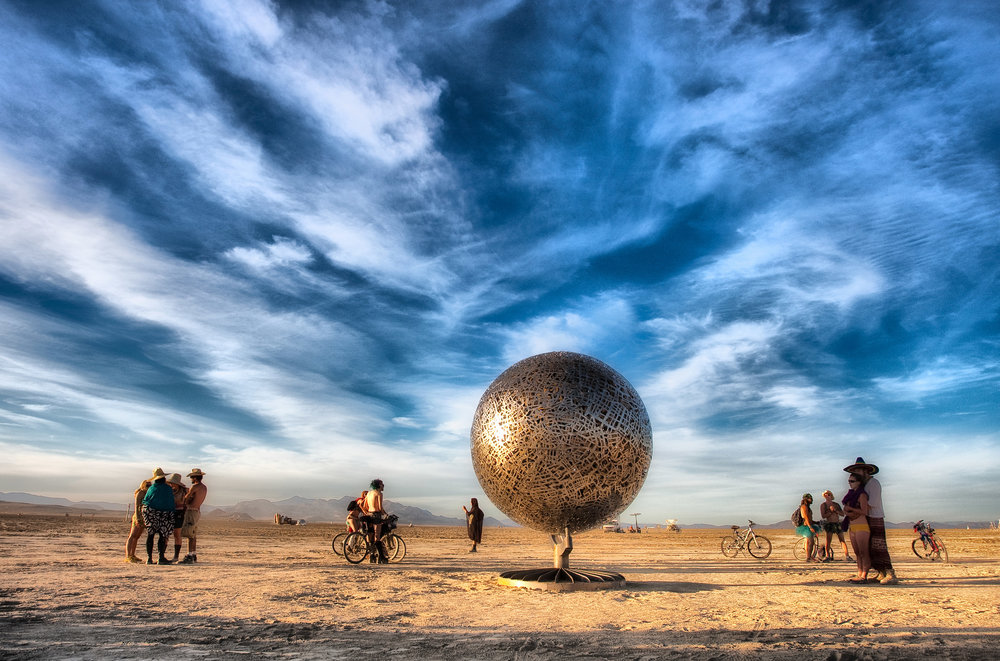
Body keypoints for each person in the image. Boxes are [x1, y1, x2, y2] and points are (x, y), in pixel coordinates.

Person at [844, 457, 897, 584]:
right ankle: (880, 572)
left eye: (858, 471)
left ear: (865, 471)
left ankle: (890, 573)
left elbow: (872, 503)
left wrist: (855, 508)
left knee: (879, 546)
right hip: (866, 518)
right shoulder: (865, 485)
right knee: (871, 548)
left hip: (875, 516)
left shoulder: (874, 484)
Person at [141, 468, 175, 565]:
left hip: (150, 512)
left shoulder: (151, 488)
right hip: (164, 513)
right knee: (162, 535)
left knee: (150, 535)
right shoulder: (167, 488)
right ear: (164, 478)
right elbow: (170, 502)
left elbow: (146, 500)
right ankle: (161, 557)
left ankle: (149, 558)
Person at [842, 472, 871, 583]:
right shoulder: (850, 495)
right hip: (852, 525)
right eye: (849, 481)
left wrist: (851, 509)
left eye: (852, 481)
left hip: (861, 526)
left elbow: (864, 511)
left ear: (859, 482)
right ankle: (859, 573)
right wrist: (848, 512)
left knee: (864, 552)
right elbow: (846, 508)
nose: (850, 483)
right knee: (857, 552)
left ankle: (864, 575)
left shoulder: (862, 495)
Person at [178, 468, 207, 564]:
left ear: (195, 477)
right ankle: (193, 554)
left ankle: (189, 555)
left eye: (191, 477)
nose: (190, 478)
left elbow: (186, 499)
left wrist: (185, 495)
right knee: (193, 533)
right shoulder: (204, 487)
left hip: (191, 511)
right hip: (197, 511)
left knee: (189, 533)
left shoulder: (194, 487)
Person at [820, 489, 853, 563]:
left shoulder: (836, 504)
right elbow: (823, 516)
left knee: (842, 540)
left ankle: (847, 555)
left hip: (837, 523)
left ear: (831, 496)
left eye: (828, 494)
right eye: (825, 494)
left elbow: (842, 514)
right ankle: (827, 556)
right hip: (830, 523)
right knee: (828, 541)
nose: (827, 496)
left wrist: (835, 511)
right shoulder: (823, 505)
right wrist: (830, 512)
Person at [362, 479, 388, 563]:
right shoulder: (379, 494)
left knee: (370, 536)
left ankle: (372, 556)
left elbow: (364, 505)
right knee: (377, 536)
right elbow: (380, 508)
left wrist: (367, 513)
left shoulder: (369, 493)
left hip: (369, 515)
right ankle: (381, 557)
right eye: (382, 484)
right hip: (376, 516)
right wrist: (385, 514)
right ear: (378, 485)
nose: (383, 485)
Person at [125, 478, 151, 563]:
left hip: (143, 516)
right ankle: (128, 555)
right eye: (147, 485)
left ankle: (132, 554)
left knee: (136, 537)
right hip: (138, 516)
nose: (149, 487)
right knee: (132, 535)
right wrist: (138, 517)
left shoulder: (147, 493)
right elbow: (137, 506)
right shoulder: (140, 493)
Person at [166, 473, 188, 562]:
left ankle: (176, 556)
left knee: (177, 534)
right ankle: (162, 555)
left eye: (173, 483)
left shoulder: (184, 491)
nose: (171, 485)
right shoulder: (168, 491)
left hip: (179, 513)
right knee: (165, 535)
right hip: (169, 513)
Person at [795, 493, 823, 561]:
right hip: (806, 527)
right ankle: (808, 557)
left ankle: (809, 556)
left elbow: (809, 519)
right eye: (810, 498)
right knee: (810, 542)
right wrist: (810, 527)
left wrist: (816, 522)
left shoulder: (808, 507)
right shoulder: (804, 507)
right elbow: (806, 517)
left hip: (809, 525)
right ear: (806, 499)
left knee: (811, 542)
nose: (811, 500)